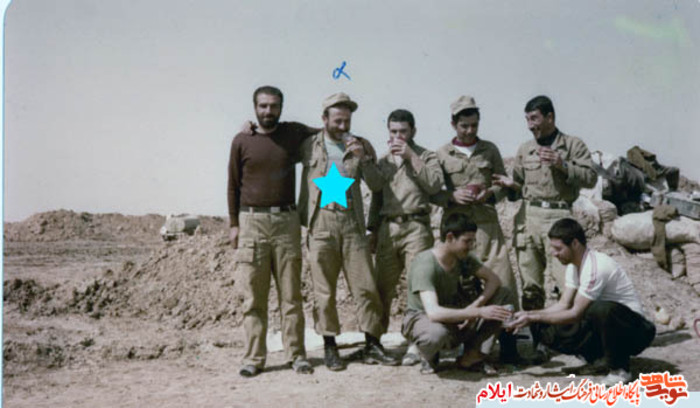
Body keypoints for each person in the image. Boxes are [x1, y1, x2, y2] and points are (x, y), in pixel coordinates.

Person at [298, 92, 399, 371]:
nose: (343, 127)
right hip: (321, 222)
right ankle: (330, 347)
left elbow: (377, 186)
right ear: (324, 119)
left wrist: (363, 159)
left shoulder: (361, 145)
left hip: (352, 223)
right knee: (324, 291)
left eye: (347, 121)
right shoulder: (308, 145)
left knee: (365, 286)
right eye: (338, 121)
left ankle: (372, 344)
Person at [493, 95, 597, 358]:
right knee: (531, 287)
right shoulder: (525, 149)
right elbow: (518, 187)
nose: (530, 125)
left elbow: (590, 178)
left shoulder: (572, 145)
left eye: (535, 119)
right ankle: (540, 343)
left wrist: (563, 164)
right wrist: (510, 186)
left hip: (559, 217)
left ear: (550, 117)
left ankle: (577, 343)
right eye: (527, 120)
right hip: (528, 218)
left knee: (567, 285)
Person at [227, 86, 318, 377]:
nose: (268, 111)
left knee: (291, 295)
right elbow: (233, 185)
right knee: (254, 297)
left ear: (281, 107)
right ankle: (254, 358)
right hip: (251, 223)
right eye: (263, 106)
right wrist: (234, 224)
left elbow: (326, 133)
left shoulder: (293, 133)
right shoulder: (242, 140)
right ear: (255, 107)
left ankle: (297, 355)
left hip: (286, 222)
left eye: (274, 106)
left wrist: (358, 140)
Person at [509, 218, 656, 386]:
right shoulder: (573, 266)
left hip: (635, 332)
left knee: (599, 309)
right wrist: (528, 315)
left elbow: (575, 313)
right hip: (605, 328)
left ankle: (620, 370)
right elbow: (563, 305)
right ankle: (598, 360)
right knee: (542, 324)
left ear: (575, 244)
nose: (553, 253)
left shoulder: (596, 266)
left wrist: (533, 317)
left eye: (558, 248)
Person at [431, 95, 520, 364]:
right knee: (461, 286)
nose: (470, 131)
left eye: (474, 125)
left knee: (503, 281)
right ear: (453, 124)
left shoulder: (490, 150)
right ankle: (464, 346)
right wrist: (452, 196)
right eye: (464, 126)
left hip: (487, 227)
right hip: (457, 231)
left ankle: (509, 345)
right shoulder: (442, 154)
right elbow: (433, 192)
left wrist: (489, 194)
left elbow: (502, 186)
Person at [366, 109, 444, 366]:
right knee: (381, 287)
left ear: (413, 132)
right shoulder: (384, 160)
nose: (398, 136)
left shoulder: (426, 156)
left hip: (416, 227)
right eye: (393, 131)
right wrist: (372, 230)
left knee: (418, 287)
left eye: (403, 131)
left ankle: (417, 343)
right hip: (388, 229)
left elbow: (434, 184)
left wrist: (411, 156)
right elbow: (376, 195)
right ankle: (373, 343)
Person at [402, 213, 515, 374]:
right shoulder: (425, 264)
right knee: (435, 334)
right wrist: (477, 312)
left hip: (456, 314)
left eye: (473, 241)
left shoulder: (463, 258)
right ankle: (428, 354)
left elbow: (494, 280)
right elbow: (433, 313)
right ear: (450, 237)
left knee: (504, 294)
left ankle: (472, 356)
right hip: (425, 318)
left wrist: (473, 307)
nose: (471, 246)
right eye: (467, 241)